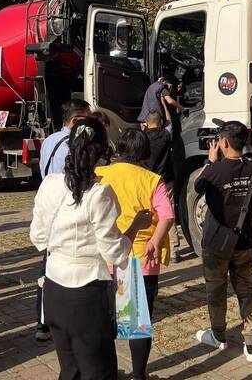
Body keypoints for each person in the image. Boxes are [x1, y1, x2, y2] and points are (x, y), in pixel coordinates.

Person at [30, 117, 153, 380]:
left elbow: (38, 238)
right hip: (86, 296)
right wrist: (133, 227)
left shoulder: (49, 184)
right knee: (98, 373)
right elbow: (115, 253)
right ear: (100, 152)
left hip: (53, 289)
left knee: (70, 370)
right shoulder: (99, 193)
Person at [96, 128, 174, 380]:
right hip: (139, 260)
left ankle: (107, 372)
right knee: (137, 325)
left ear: (118, 149)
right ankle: (138, 376)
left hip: (103, 258)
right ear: (144, 152)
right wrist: (153, 240)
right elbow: (168, 216)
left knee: (103, 324)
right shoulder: (151, 179)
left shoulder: (100, 174)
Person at [194, 121, 252, 363]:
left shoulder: (215, 170)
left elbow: (197, 186)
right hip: (244, 239)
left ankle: (218, 335)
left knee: (216, 289)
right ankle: (251, 344)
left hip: (216, 242)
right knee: (246, 288)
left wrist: (210, 162)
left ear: (222, 143)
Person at [34, 98, 91, 341]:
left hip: (48, 203)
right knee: (60, 265)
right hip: (65, 206)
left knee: (46, 263)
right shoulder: (74, 144)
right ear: (77, 120)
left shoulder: (49, 140)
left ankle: (42, 321)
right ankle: (62, 321)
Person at [141, 111, 181, 262]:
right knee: (168, 213)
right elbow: (170, 122)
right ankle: (174, 251)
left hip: (146, 180)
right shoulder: (166, 135)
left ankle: (149, 244)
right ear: (160, 123)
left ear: (146, 123)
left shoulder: (142, 138)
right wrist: (164, 106)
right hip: (165, 180)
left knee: (147, 212)